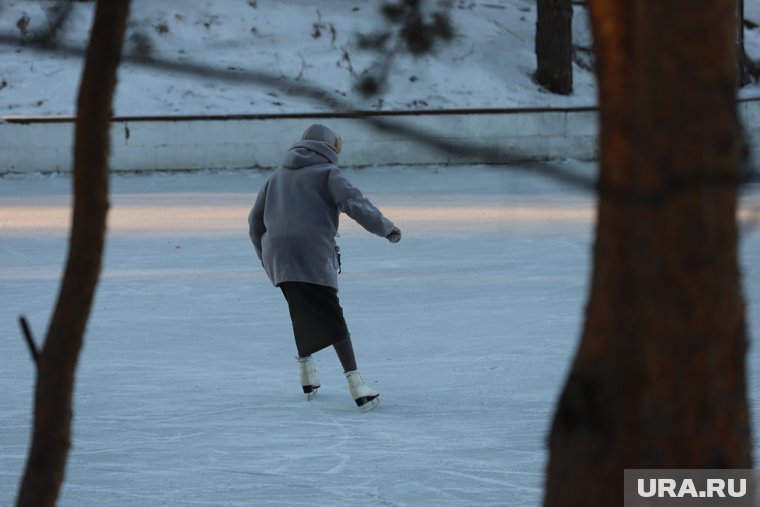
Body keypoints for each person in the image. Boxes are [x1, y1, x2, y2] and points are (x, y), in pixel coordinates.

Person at [248, 124, 401, 412]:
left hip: (279, 257)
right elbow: (356, 204)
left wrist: (268, 260)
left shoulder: (275, 177)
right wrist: (388, 229)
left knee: (301, 309)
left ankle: (307, 374)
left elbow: (254, 223)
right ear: (332, 148)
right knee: (332, 316)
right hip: (312, 254)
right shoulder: (329, 174)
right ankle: (358, 386)